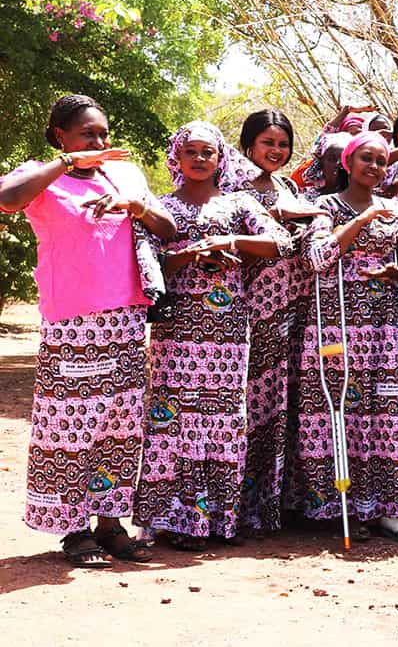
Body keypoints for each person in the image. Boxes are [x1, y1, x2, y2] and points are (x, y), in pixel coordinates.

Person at [1, 94, 177, 567]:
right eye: (87, 134)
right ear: (61, 135)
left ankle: (110, 524)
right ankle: (72, 530)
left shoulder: (124, 175)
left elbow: (169, 228)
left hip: (125, 317)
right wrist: (65, 163)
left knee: (119, 426)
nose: (99, 142)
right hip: (72, 319)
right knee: (69, 427)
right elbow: (6, 200)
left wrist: (135, 205)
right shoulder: (40, 175)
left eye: (103, 133)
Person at [132, 121, 289, 551]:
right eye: (191, 152)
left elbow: (280, 242)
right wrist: (186, 256)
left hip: (226, 332)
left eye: (209, 152)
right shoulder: (160, 209)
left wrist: (229, 242)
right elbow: (146, 265)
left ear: (221, 159)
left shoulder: (238, 203)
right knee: (174, 418)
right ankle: (175, 519)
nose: (200, 159)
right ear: (176, 159)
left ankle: (218, 519)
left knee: (221, 419)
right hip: (176, 330)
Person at [295, 131, 398, 543]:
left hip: (388, 320)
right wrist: (362, 220)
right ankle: (341, 507)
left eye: (382, 161)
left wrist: (396, 271)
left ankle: (391, 508)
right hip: (338, 318)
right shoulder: (324, 207)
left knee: (389, 411)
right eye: (366, 158)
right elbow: (317, 258)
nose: (374, 167)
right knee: (342, 412)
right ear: (348, 163)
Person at [236, 109, 325, 537]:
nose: (275, 151)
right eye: (267, 142)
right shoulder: (233, 189)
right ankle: (238, 507)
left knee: (284, 404)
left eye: (282, 144)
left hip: (293, 306)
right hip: (251, 308)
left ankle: (276, 507)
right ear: (249, 145)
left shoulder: (291, 187)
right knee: (250, 406)